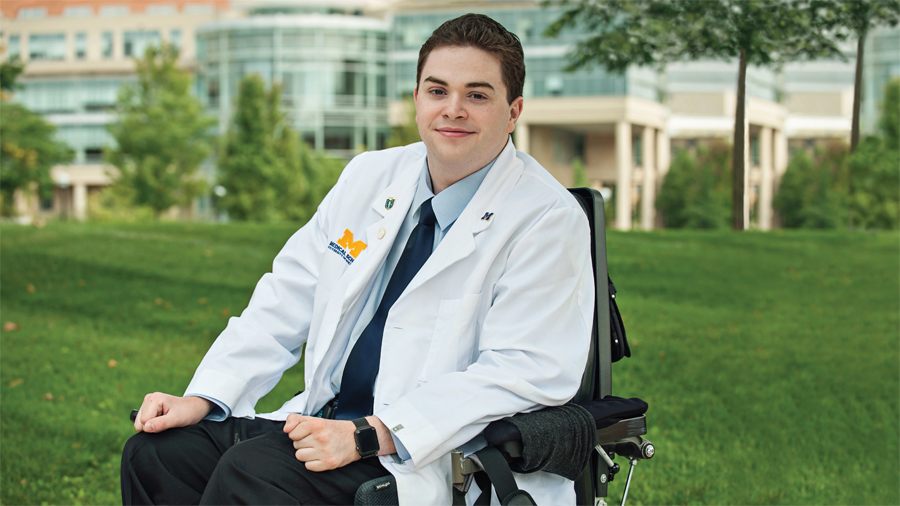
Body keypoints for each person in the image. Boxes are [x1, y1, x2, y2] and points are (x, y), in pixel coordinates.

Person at [121, 13, 593, 505]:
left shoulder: (546, 219)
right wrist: (204, 397)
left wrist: (370, 434)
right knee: (158, 453)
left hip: (430, 457)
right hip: (324, 424)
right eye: (437, 91)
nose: (453, 110)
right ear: (416, 100)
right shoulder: (369, 176)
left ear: (513, 111)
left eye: (477, 95)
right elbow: (284, 300)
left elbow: (522, 371)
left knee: (254, 473)